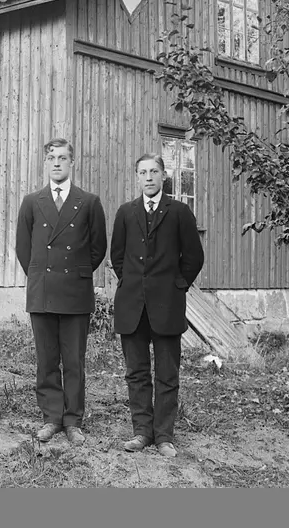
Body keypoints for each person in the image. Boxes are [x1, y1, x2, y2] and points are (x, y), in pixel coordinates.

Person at [110, 153, 205, 457]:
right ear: (137, 177)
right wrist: (133, 285)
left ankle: (164, 435)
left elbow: (193, 258)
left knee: (167, 373)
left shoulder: (179, 212)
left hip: (167, 306)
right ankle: (141, 432)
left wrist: (176, 287)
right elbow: (118, 257)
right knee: (136, 372)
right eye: (143, 172)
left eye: (154, 171)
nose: (148, 177)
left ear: (164, 176)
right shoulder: (126, 212)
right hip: (132, 307)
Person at [15, 137, 107, 445]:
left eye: (63, 158)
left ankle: (73, 421)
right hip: (42, 291)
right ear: (45, 163)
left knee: (73, 360)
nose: (57, 162)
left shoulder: (89, 202)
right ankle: (51, 417)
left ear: (72, 163)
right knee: (46, 359)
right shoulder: (32, 201)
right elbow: (23, 248)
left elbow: (98, 249)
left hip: (75, 292)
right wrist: (42, 276)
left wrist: (74, 275)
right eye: (52, 157)